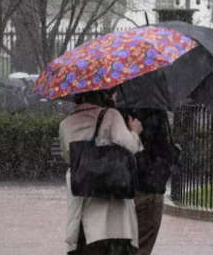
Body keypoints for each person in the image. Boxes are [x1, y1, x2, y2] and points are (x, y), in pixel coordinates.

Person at [60, 89, 144, 255]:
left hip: (82, 220)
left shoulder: (65, 124)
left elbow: (68, 158)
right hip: (113, 221)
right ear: (101, 94)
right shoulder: (111, 116)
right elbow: (131, 146)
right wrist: (134, 131)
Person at [117, 108, 175, 255]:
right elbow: (161, 151)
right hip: (150, 188)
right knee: (141, 248)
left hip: (120, 189)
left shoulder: (115, 111)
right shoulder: (155, 109)